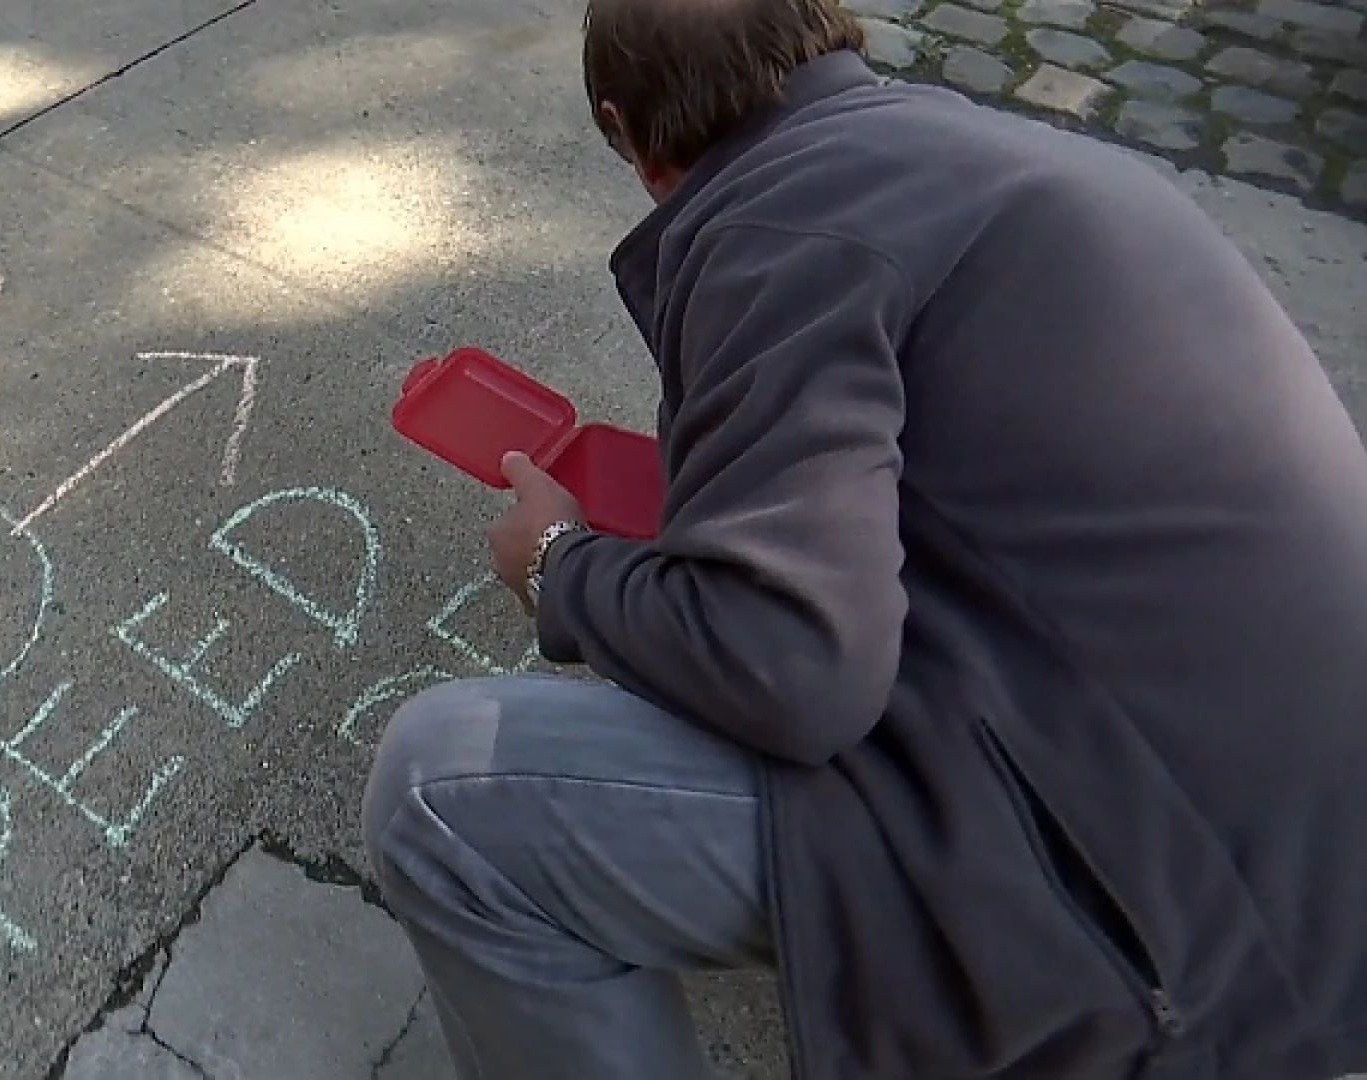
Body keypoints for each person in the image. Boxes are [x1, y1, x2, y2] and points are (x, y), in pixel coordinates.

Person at [359, 0, 1367, 1077]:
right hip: (1290, 836)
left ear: (632, 139)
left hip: (1205, 959)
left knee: (441, 792)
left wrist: (563, 565)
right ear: (837, 38)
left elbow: (792, 670)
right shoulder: (975, 152)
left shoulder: (776, 225)